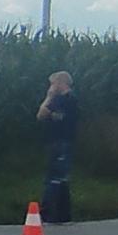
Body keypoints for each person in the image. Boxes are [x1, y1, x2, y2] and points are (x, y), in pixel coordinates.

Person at [37, 71, 79, 223]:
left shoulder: (65, 100)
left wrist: (49, 96)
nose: (51, 87)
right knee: (62, 179)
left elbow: (41, 114)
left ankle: (46, 214)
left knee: (53, 179)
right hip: (62, 142)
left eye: (53, 83)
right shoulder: (67, 99)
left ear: (61, 83)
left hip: (60, 142)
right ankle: (63, 215)